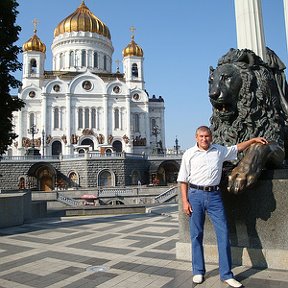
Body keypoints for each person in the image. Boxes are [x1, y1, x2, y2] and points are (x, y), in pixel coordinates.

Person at [177, 126, 268, 288]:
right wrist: (185, 201)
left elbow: (237, 148)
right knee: (196, 235)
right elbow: (183, 180)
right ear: (196, 137)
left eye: (207, 136)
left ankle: (226, 274)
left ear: (211, 137)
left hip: (214, 196)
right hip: (195, 195)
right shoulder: (189, 154)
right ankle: (198, 271)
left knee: (223, 233)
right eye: (201, 136)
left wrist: (253, 140)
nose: (204, 139)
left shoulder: (219, 151)